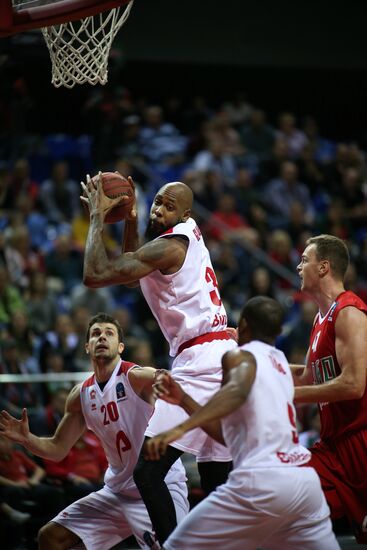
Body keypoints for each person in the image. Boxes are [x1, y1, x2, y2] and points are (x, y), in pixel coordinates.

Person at [81, 174, 237, 544]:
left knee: (149, 472)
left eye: (169, 205)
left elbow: (95, 274)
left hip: (202, 361)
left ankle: (171, 544)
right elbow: (136, 277)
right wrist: (132, 221)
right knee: (216, 478)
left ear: (184, 213)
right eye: (157, 202)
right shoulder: (184, 237)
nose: (159, 209)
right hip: (215, 355)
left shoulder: (170, 246)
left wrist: (96, 218)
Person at [144, 296, 339, 550]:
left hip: (261, 481)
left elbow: (235, 390)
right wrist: (184, 401)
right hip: (304, 482)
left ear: (242, 325)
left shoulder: (240, 356)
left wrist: (178, 429)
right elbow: (227, 436)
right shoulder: (279, 361)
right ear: (279, 332)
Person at [0, 312, 188, 550]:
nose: (101, 337)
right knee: (50, 538)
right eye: (96, 334)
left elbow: (166, 380)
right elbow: (57, 449)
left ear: (120, 347)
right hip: (116, 491)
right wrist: (27, 440)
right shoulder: (81, 395)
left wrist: (167, 379)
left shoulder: (135, 377)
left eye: (109, 333)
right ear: (87, 347)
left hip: (159, 486)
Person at [292, 234, 367, 544]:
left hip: (360, 442)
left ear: (323, 267)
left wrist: (288, 395)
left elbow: (353, 384)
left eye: (304, 260)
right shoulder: (320, 319)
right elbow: (310, 375)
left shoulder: (349, 312)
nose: (298, 267)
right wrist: (255, 362)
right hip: (333, 446)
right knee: (290, 500)